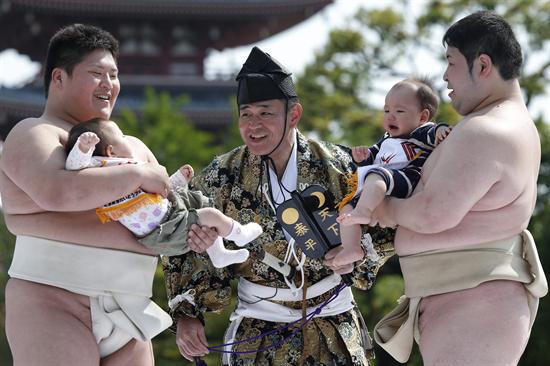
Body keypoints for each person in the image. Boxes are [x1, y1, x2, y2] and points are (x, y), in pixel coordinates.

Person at [162, 46, 395, 366]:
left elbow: (385, 224)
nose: (253, 125)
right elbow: (184, 236)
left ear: (294, 114)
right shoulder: (222, 175)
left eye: (265, 113)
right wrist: (188, 313)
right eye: (246, 114)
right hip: (258, 330)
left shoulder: (339, 166)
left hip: (334, 326)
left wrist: (355, 258)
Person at [371, 11, 548, 366]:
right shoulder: (500, 124)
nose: (444, 76)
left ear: (482, 66)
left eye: (451, 62)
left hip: (476, 303)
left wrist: (381, 208)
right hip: (467, 298)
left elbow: (432, 213)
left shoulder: (489, 131)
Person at [0, 24, 172, 366]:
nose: (109, 84)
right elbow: (59, 194)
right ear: (59, 78)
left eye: (114, 74)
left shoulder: (133, 144)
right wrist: (138, 173)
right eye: (97, 73)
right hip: (54, 301)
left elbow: (173, 213)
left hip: (131, 306)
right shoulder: (35, 133)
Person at [65, 118, 262, 267]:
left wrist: (176, 180)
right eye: (122, 137)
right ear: (111, 151)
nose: (128, 139)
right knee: (210, 216)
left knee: (202, 202)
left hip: (167, 213)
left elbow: (157, 191)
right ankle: (239, 234)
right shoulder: (101, 167)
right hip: (161, 232)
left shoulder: (129, 164)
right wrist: (83, 147)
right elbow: (74, 167)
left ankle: (218, 253)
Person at [334, 78, 451, 266]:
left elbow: (436, 131)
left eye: (399, 111)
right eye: (387, 110)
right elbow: (373, 155)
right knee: (347, 206)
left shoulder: (420, 133)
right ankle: (351, 247)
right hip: (382, 182)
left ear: (422, 117)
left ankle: (364, 210)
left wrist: (442, 130)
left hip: (406, 178)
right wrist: (362, 156)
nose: (390, 116)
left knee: (376, 175)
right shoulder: (387, 139)